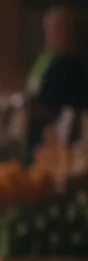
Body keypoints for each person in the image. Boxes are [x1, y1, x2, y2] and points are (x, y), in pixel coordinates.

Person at [26, 6, 88, 160]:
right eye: (48, 30)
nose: (50, 35)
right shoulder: (47, 59)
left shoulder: (74, 66)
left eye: (56, 29)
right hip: (39, 138)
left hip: (63, 141)